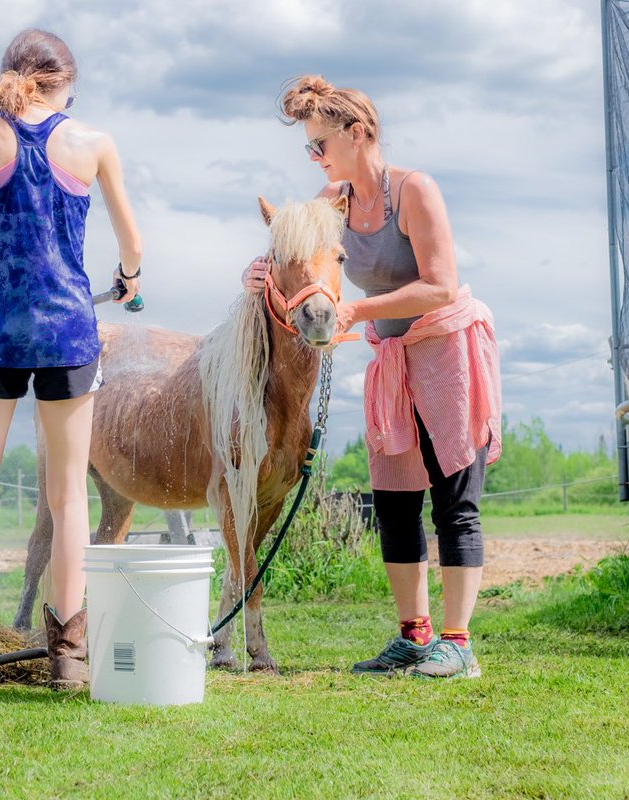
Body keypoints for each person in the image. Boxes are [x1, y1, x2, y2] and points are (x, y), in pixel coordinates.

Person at [243, 75, 501, 678]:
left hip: (444, 351)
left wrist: (356, 311)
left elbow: (438, 283)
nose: (315, 158)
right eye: (310, 149)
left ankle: (459, 646)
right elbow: (295, 250)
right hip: (392, 358)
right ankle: (414, 637)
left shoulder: (415, 191)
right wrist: (258, 272)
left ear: (358, 134)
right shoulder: (333, 199)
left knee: (453, 498)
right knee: (393, 499)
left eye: (320, 145)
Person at [0, 29, 142, 691]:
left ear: (10, 74)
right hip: (69, 332)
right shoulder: (94, 143)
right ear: (66, 83)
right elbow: (132, 242)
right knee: (70, 499)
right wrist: (129, 276)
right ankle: (69, 662)